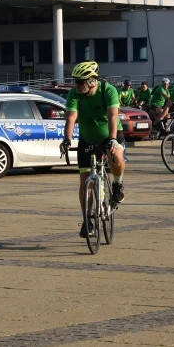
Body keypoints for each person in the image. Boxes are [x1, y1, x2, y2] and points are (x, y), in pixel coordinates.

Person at [59, 61, 125, 239]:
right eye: (75, 81)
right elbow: (71, 117)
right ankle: (87, 220)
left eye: (80, 82)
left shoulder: (108, 90)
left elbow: (112, 115)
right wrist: (67, 138)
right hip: (87, 138)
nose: (77, 85)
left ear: (92, 81)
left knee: (117, 157)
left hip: (110, 134)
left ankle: (118, 184)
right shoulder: (74, 93)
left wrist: (112, 139)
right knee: (84, 182)